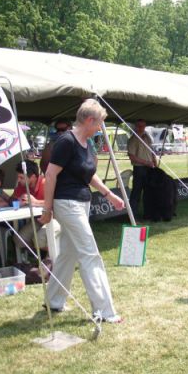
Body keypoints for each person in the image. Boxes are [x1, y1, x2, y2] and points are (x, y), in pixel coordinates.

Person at [39, 99, 124, 323]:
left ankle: (54, 301)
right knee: (90, 254)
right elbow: (50, 175)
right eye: (99, 124)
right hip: (67, 204)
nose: (100, 128)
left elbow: (89, 174)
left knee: (69, 253)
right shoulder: (66, 141)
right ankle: (105, 311)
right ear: (88, 120)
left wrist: (109, 194)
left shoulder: (85, 143)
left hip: (81, 202)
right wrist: (47, 209)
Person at [10, 159, 60, 257]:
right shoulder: (22, 185)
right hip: (38, 220)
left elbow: (57, 202)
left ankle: (55, 255)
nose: (18, 180)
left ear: (32, 177)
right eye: (18, 177)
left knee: (39, 240)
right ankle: (53, 252)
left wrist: (36, 202)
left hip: (54, 218)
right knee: (18, 240)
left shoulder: (45, 183)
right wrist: (18, 201)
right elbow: (11, 200)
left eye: (21, 177)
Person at [127, 119, 157, 218]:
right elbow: (132, 156)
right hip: (139, 169)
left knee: (149, 192)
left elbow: (151, 151)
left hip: (149, 168)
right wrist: (146, 162)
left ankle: (148, 214)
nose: (141, 128)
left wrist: (154, 162)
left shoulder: (147, 136)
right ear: (136, 126)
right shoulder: (133, 139)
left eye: (143, 126)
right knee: (136, 192)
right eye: (139, 126)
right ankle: (132, 216)